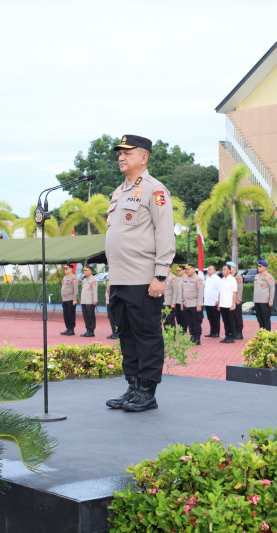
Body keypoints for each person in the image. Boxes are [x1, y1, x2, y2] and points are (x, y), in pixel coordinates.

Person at [104, 134, 175, 412]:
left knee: (146, 335)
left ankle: (147, 391)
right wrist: (112, 278)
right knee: (126, 335)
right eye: (119, 153)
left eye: (128, 152)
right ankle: (132, 387)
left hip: (144, 279)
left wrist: (160, 275)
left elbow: (165, 234)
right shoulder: (119, 192)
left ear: (143, 157)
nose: (121, 157)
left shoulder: (154, 190)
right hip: (120, 279)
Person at [179, 264, 204, 345]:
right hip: (187, 304)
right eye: (186, 269)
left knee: (196, 322)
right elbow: (183, 292)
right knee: (189, 323)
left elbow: (200, 293)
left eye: (189, 269)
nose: (187, 270)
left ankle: (197, 338)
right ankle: (192, 337)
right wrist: (182, 303)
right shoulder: (185, 279)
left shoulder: (198, 279)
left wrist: (199, 305)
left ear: (193, 269)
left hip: (195, 305)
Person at [217, 263, 238, 343]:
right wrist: (219, 303)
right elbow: (219, 292)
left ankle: (232, 336)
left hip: (229, 305)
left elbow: (234, 293)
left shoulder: (232, 280)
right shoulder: (222, 280)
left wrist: (233, 304)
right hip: (222, 304)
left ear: (229, 271)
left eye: (224, 269)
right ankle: (227, 336)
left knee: (230, 321)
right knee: (225, 321)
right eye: (222, 269)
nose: (223, 271)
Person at [253, 259, 275, 331]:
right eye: (258, 266)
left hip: (265, 301)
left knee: (266, 319)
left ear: (265, 267)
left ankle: (268, 335)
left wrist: (271, 300)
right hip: (257, 301)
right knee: (259, 318)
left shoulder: (269, 276)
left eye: (260, 266)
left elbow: (272, 288)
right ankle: (262, 333)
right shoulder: (256, 276)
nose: (258, 267)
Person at [60, 264, 78, 336]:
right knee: (66, 315)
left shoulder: (74, 277)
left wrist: (75, 299)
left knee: (71, 315)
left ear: (70, 269)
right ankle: (67, 328)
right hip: (64, 299)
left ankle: (71, 329)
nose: (65, 270)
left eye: (66, 269)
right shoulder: (65, 277)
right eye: (65, 269)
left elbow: (75, 289)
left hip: (70, 299)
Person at [203, 265, 221, 338]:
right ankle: (212, 332)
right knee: (210, 318)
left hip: (214, 301)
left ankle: (216, 332)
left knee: (215, 318)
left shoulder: (217, 279)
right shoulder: (207, 278)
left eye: (210, 269)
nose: (208, 270)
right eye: (208, 269)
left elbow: (219, 290)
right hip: (208, 301)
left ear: (214, 270)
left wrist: (218, 300)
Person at [79, 267, 98, 337]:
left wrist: (95, 300)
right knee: (85, 316)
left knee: (91, 316)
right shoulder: (85, 280)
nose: (84, 272)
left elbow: (95, 291)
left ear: (90, 271)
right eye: (84, 271)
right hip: (84, 301)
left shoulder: (93, 280)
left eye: (86, 271)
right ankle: (88, 330)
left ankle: (91, 330)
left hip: (90, 301)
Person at [233, 266, 244, 339]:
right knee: (232, 317)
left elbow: (240, 288)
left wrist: (238, 299)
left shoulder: (238, 277)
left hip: (236, 300)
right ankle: (234, 332)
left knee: (237, 317)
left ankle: (239, 333)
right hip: (230, 301)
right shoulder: (229, 277)